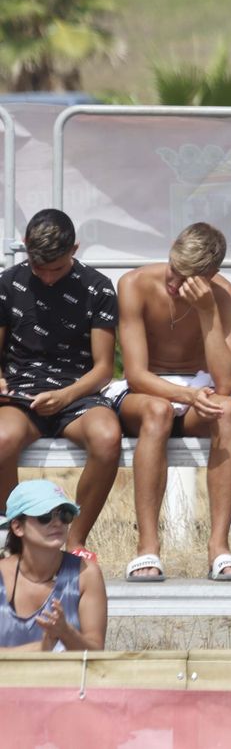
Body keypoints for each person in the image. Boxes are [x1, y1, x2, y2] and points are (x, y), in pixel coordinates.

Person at [108, 223, 231, 583]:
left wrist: (206, 312)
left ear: (210, 276)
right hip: (147, 393)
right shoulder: (134, 284)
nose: (174, 284)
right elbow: (136, 374)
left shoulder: (227, 298)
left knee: (228, 411)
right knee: (158, 411)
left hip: (202, 391)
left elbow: (226, 383)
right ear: (170, 250)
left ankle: (219, 546)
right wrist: (185, 396)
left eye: (186, 279)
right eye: (173, 270)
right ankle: (148, 547)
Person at [0, 210, 120, 554]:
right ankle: (13, 538)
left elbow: (103, 370)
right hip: (22, 393)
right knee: (2, 438)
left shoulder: (97, 287)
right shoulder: (8, 285)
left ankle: (74, 542)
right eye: (39, 268)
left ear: (75, 249)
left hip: (79, 392)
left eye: (57, 268)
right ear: (24, 248)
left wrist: (65, 395)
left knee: (108, 437)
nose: (48, 277)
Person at [0, 480, 105, 651]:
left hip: (66, 678)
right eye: (44, 516)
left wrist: (67, 634)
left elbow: (96, 653)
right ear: (18, 527)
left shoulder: (86, 574)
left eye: (64, 515)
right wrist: (42, 648)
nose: (57, 523)